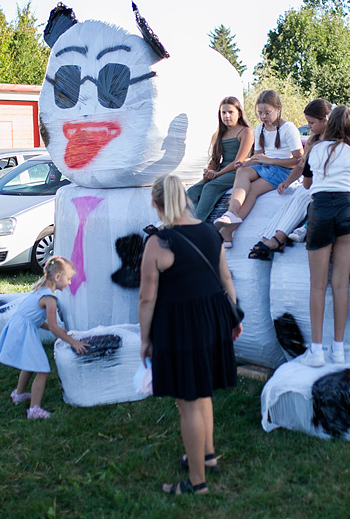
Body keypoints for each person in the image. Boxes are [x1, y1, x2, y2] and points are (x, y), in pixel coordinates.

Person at [139, 175, 243, 496]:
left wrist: (145, 339)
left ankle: (196, 482)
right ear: (184, 198)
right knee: (203, 391)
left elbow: (146, 298)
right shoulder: (211, 232)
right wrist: (233, 317)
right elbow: (225, 277)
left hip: (181, 325)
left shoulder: (159, 243)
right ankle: (207, 454)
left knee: (187, 404)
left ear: (158, 204)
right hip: (213, 319)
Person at [297, 106, 350, 367]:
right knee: (341, 285)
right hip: (347, 211)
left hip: (321, 211)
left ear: (329, 124)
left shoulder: (316, 149)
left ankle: (316, 351)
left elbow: (307, 184)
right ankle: (339, 349)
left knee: (317, 286)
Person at [0, 256, 88, 419]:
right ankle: (34, 410)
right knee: (43, 370)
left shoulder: (40, 290)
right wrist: (73, 342)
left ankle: (19, 394)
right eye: (69, 278)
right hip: (23, 330)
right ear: (58, 277)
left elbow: (35, 318)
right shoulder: (50, 298)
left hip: (19, 327)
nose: (70, 283)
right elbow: (52, 327)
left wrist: (59, 330)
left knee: (30, 363)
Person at [213, 89, 302, 247]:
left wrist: (271, 160)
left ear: (278, 109)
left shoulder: (289, 129)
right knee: (242, 171)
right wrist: (247, 162)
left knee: (253, 191)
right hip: (267, 166)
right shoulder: (260, 128)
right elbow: (258, 156)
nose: (263, 117)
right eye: (260, 113)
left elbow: (298, 161)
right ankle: (232, 212)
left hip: (283, 170)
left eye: (267, 113)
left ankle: (227, 232)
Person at [248, 98, 332, 260]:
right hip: (312, 183)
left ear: (325, 121)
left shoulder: (333, 143)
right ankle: (267, 237)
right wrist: (287, 182)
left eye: (311, 123)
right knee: (291, 201)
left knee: (302, 196)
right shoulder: (313, 141)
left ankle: (278, 238)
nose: (308, 127)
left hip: (326, 186)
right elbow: (301, 166)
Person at [186, 97, 254, 222]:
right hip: (221, 170)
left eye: (230, 112)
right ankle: (180, 222)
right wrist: (210, 172)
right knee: (192, 191)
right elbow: (215, 160)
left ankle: (196, 224)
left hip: (238, 171)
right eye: (223, 112)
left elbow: (238, 161)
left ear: (239, 113)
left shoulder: (246, 132)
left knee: (210, 188)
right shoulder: (218, 134)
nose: (226, 116)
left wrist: (217, 175)